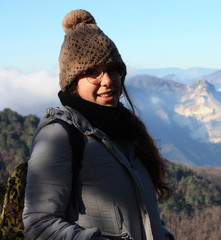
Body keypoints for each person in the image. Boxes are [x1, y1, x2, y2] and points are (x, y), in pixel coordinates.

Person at [22, 9, 174, 240]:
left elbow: (137, 210)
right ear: (73, 82)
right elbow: (39, 225)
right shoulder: (59, 136)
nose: (107, 81)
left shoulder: (125, 130)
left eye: (113, 70)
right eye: (93, 72)